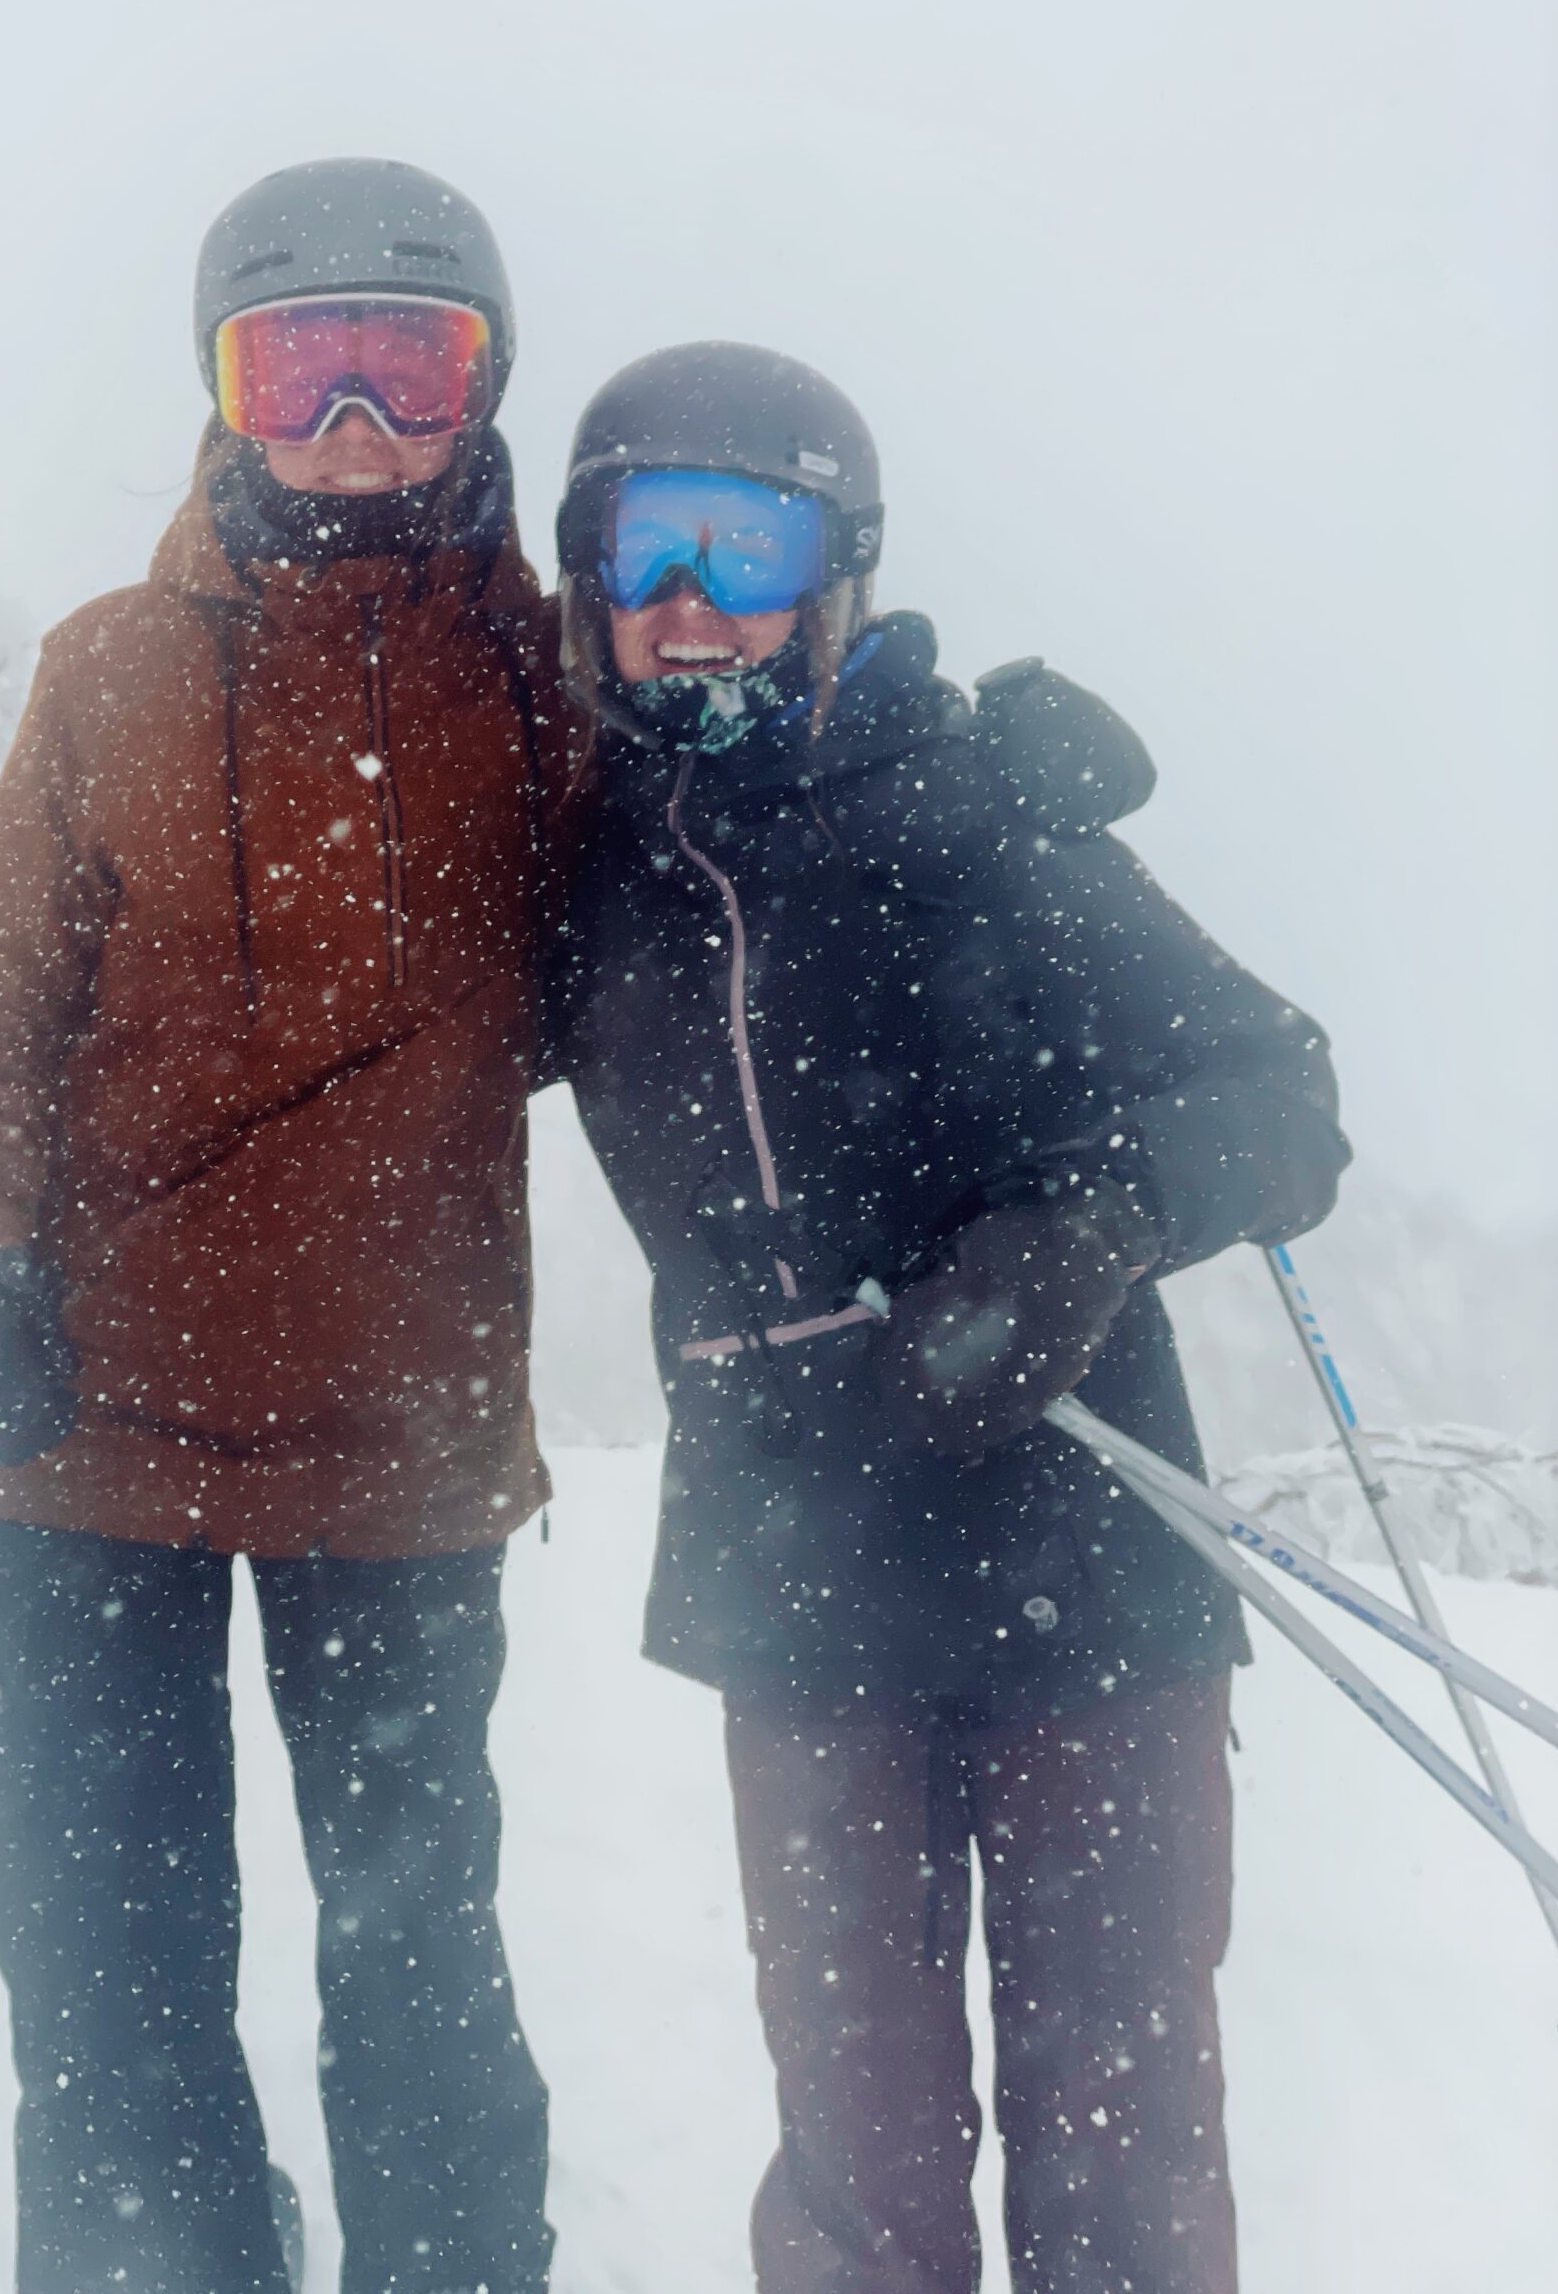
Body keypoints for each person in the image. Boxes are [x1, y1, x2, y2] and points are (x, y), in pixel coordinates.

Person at [547, 342, 1351, 2294]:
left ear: (840, 569)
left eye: (749, 543)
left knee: (1123, 2137)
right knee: (857, 2167)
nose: (689, 598)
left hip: (1084, 1557)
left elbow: (1280, 1093)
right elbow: (362, 1030)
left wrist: (1089, 1229)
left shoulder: (985, 800)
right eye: (648, 540)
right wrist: (94, 937)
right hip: (795, 1576)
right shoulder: (581, 871)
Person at [0, 158, 579, 2294]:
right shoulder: (110, 669)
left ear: (484, 394)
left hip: (396, 1438)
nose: (357, 430)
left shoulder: (552, 686)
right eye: (304, 370)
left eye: (411, 370)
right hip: (87, 1422)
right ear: (221, 392)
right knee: (101, 1950)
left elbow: (668, 949)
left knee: (414, 1954)